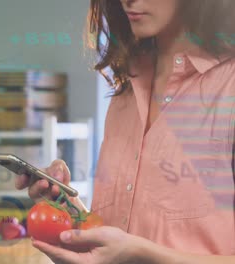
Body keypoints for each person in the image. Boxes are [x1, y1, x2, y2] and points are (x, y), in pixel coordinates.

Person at [15, 0, 235, 263]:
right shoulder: (125, 90)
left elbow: (128, 250)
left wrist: (141, 254)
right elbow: (113, 245)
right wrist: (67, 213)